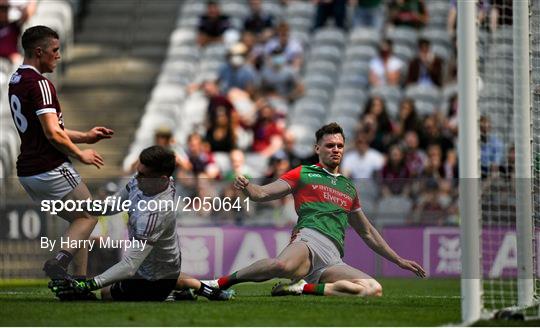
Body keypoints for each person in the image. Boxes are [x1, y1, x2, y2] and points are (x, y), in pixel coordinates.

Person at [204, 123, 425, 297]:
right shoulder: (303, 173)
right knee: (281, 265)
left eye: (339, 145)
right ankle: (219, 283)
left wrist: (399, 260)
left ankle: (301, 288)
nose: (335, 150)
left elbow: (367, 232)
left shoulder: (348, 187)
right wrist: (248, 188)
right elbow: (262, 193)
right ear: (317, 148)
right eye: (330, 145)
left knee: (372, 288)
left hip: (333, 257)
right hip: (309, 240)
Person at [48, 146, 234, 302]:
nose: (136, 179)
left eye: (142, 175)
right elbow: (113, 205)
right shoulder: (148, 180)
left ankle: (172, 295)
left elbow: (129, 266)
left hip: (153, 277)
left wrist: (88, 284)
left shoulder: (156, 211)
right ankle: (197, 289)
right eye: (138, 172)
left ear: (161, 179)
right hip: (161, 265)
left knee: (106, 294)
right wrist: (80, 205)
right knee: (125, 283)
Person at [8, 26, 114, 279]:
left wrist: (86, 136)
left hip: (29, 171)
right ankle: (59, 262)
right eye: (55, 50)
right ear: (38, 51)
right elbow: (52, 134)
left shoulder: (17, 80)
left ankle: (78, 282)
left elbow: (50, 128)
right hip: (50, 166)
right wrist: (81, 153)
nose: (58, 55)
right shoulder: (40, 84)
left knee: (79, 221)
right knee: (89, 215)